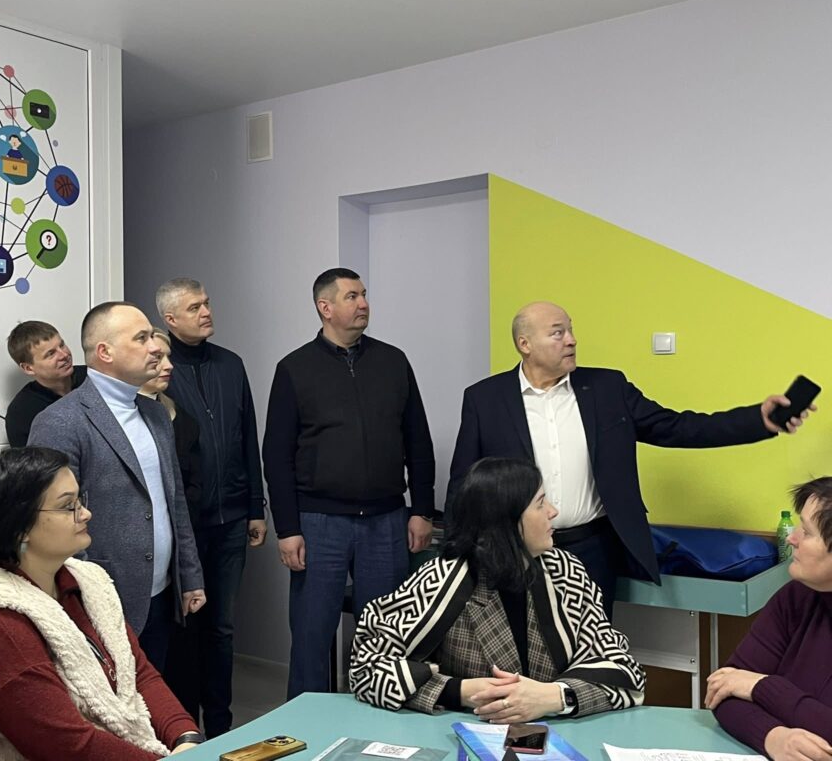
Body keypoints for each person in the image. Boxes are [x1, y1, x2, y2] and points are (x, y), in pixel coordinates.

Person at [448, 300, 813, 615]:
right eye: (557, 333)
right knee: (517, 649)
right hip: (514, 548)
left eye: (571, 330)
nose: (571, 340)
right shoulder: (485, 399)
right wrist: (453, 559)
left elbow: (679, 428)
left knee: (590, 650)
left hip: (593, 549)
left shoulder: (608, 389)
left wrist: (757, 420)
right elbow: (463, 483)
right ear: (524, 344)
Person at [0, 447, 205, 759]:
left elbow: (138, 673)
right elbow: (69, 746)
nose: (85, 514)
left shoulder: (87, 582)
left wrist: (186, 737)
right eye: (68, 507)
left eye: (80, 501)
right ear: (19, 527)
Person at [350, 457, 645, 721]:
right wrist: (458, 692)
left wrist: (556, 697)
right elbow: (365, 671)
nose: (554, 512)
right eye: (540, 503)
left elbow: (627, 674)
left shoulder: (566, 572)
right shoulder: (441, 580)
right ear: (506, 520)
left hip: (557, 736)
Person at [263, 267, 436, 699]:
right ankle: (304, 724)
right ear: (325, 307)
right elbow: (277, 456)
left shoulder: (393, 361)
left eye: (364, 295)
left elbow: (418, 440)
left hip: (386, 521)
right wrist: (288, 529)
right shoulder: (295, 368)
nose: (363, 304)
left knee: (386, 636)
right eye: (352, 297)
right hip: (318, 523)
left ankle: (379, 720)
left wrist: (422, 510)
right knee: (311, 635)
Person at [29, 302, 204, 671]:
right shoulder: (60, 422)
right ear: (105, 352)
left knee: (152, 695)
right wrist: (85, 601)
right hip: (102, 600)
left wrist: (189, 575)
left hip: (161, 594)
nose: (155, 347)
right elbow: (50, 524)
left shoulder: (156, 413)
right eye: (141, 338)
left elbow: (173, 501)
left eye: (151, 336)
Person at [156, 278, 266, 736]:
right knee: (186, 631)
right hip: (186, 525)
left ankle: (222, 727)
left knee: (221, 629)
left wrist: (256, 506)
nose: (206, 312)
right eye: (194, 307)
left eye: (206, 303)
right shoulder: (158, 371)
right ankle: (186, 730)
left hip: (232, 520)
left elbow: (248, 438)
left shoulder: (231, 364)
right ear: (170, 319)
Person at [708, 477, 832, 759]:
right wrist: (773, 737)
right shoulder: (796, 597)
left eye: (807, 532)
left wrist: (761, 686)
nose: (792, 538)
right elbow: (723, 691)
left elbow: (745, 682)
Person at [139, 328, 202, 524]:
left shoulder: (182, 418)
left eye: (168, 357)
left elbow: (194, 483)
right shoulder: (117, 416)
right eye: (158, 358)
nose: (169, 366)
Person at [5, 320, 86, 447]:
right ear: (28, 368)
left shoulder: (93, 377)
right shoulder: (21, 412)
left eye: (62, 345)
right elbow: (27, 459)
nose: (64, 355)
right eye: (51, 353)